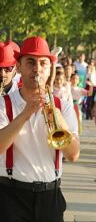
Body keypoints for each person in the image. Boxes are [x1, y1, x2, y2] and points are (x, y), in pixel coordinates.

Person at [0, 36, 80, 222]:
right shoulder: (4, 104)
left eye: (43, 63)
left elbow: (73, 155)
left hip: (49, 196)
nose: (37, 69)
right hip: (10, 196)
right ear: (18, 67)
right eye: (30, 62)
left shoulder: (64, 106)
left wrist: (55, 112)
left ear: (50, 68)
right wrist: (26, 113)